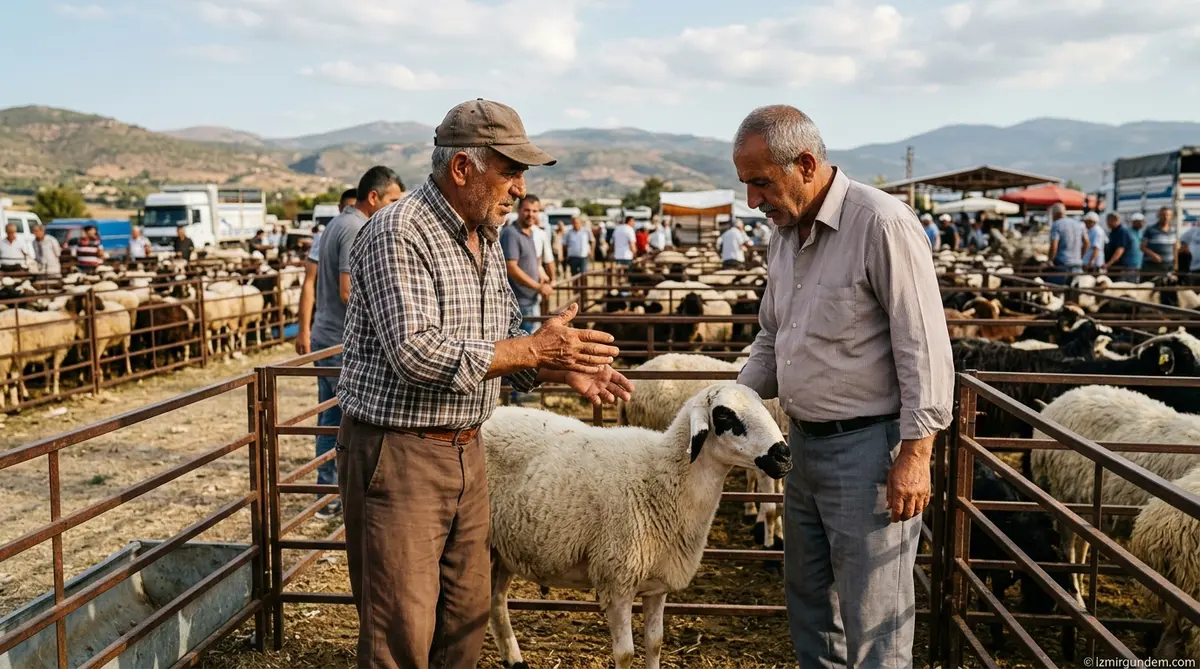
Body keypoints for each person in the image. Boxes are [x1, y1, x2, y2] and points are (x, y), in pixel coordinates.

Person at [336, 98, 633, 669]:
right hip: (400, 455)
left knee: (465, 618)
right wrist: (533, 347)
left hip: (469, 448)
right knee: (401, 627)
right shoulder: (398, 232)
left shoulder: (485, 239)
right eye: (511, 170)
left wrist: (557, 367)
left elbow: (501, 341)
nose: (520, 187)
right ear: (463, 168)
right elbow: (416, 353)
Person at [732, 105, 952, 668]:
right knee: (811, 606)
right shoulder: (784, 235)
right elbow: (771, 335)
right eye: (747, 185)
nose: (753, 201)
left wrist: (916, 454)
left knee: (874, 617)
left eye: (761, 182)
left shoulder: (881, 223)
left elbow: (923, 345)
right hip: (800, 445)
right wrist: (728, 400)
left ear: (805, 164)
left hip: (870, 453)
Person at [306, 166, 404, 520]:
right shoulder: (356, 229)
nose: (396, 208)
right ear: (374, 197)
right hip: (341, 339)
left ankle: (326, 492)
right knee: (350, 421)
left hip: (326, 334)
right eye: (392, 200)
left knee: (329, 416)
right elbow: (349, 291)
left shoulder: (336, 224)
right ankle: (341, 494)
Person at [501, 195, 553, 334]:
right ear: (519, 210)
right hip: (519, 302)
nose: (531, 214)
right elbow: (511, 267)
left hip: (530, 298)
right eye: (527, 210)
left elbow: (534, 261)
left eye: (535, 211)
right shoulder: (511, 234)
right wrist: (538, 287)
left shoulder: (529, 233)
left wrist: (541, 275)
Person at [1047, 203, 1088, 284]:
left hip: (1062, 263)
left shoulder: (1056, 224)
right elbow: (1086, 242)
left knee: (1059, 291)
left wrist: (1050, 260)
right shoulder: (1078, 224)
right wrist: (1080, 257)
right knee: (1075, 292)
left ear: (1055, 214)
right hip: (1077, 264)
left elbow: (1054, 245)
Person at [1141, 206, 1178, 276]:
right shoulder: (1150, 230)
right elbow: (1142, 247)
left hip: (1168, 266)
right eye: (1163, 215)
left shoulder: (1173, 230)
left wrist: (1176, 264)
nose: (1166, 217)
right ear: (1158, 216)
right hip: (1152, 266)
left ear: (1171, 217)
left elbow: (1175, 247)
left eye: (1168, 215)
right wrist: (1153, 255)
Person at [1102, 212, 1137, 280]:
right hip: (1117, 268)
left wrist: (1109, 263)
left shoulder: (1121, 232)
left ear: (1114, 220)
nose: (1107, 223)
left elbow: (1120, 249)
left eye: (1108, 220)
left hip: (1123, 269)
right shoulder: (1113, 232)